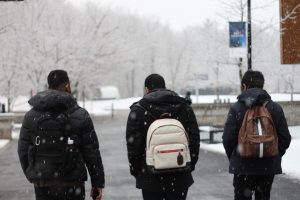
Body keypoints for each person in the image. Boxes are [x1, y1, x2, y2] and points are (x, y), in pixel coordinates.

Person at [18, 70, 105, 200]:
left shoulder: (31, 116)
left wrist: (34, 175)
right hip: (73, 185)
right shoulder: (80, 114)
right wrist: (97, 183)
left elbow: (23, 151)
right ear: (67, 85)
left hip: (43, 185)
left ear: (49, 85)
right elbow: (91, 152)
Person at [126, 74, 200, 200]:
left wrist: (137, 170)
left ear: (146, 89)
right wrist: (189, 165)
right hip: (179, 174)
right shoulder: (184, 107)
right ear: (164, 86)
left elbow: (133, 145)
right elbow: (194, 140)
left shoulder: (138, 110)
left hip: (150, 176)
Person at [222, 70, 291, 200]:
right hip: (267, 166)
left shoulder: (236, 108)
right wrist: (273, 153)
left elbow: (228, 138)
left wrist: (235, 156)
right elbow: (285, 138)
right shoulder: (275, 108)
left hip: (242, 167)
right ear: (262, 86)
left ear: (244, 86)